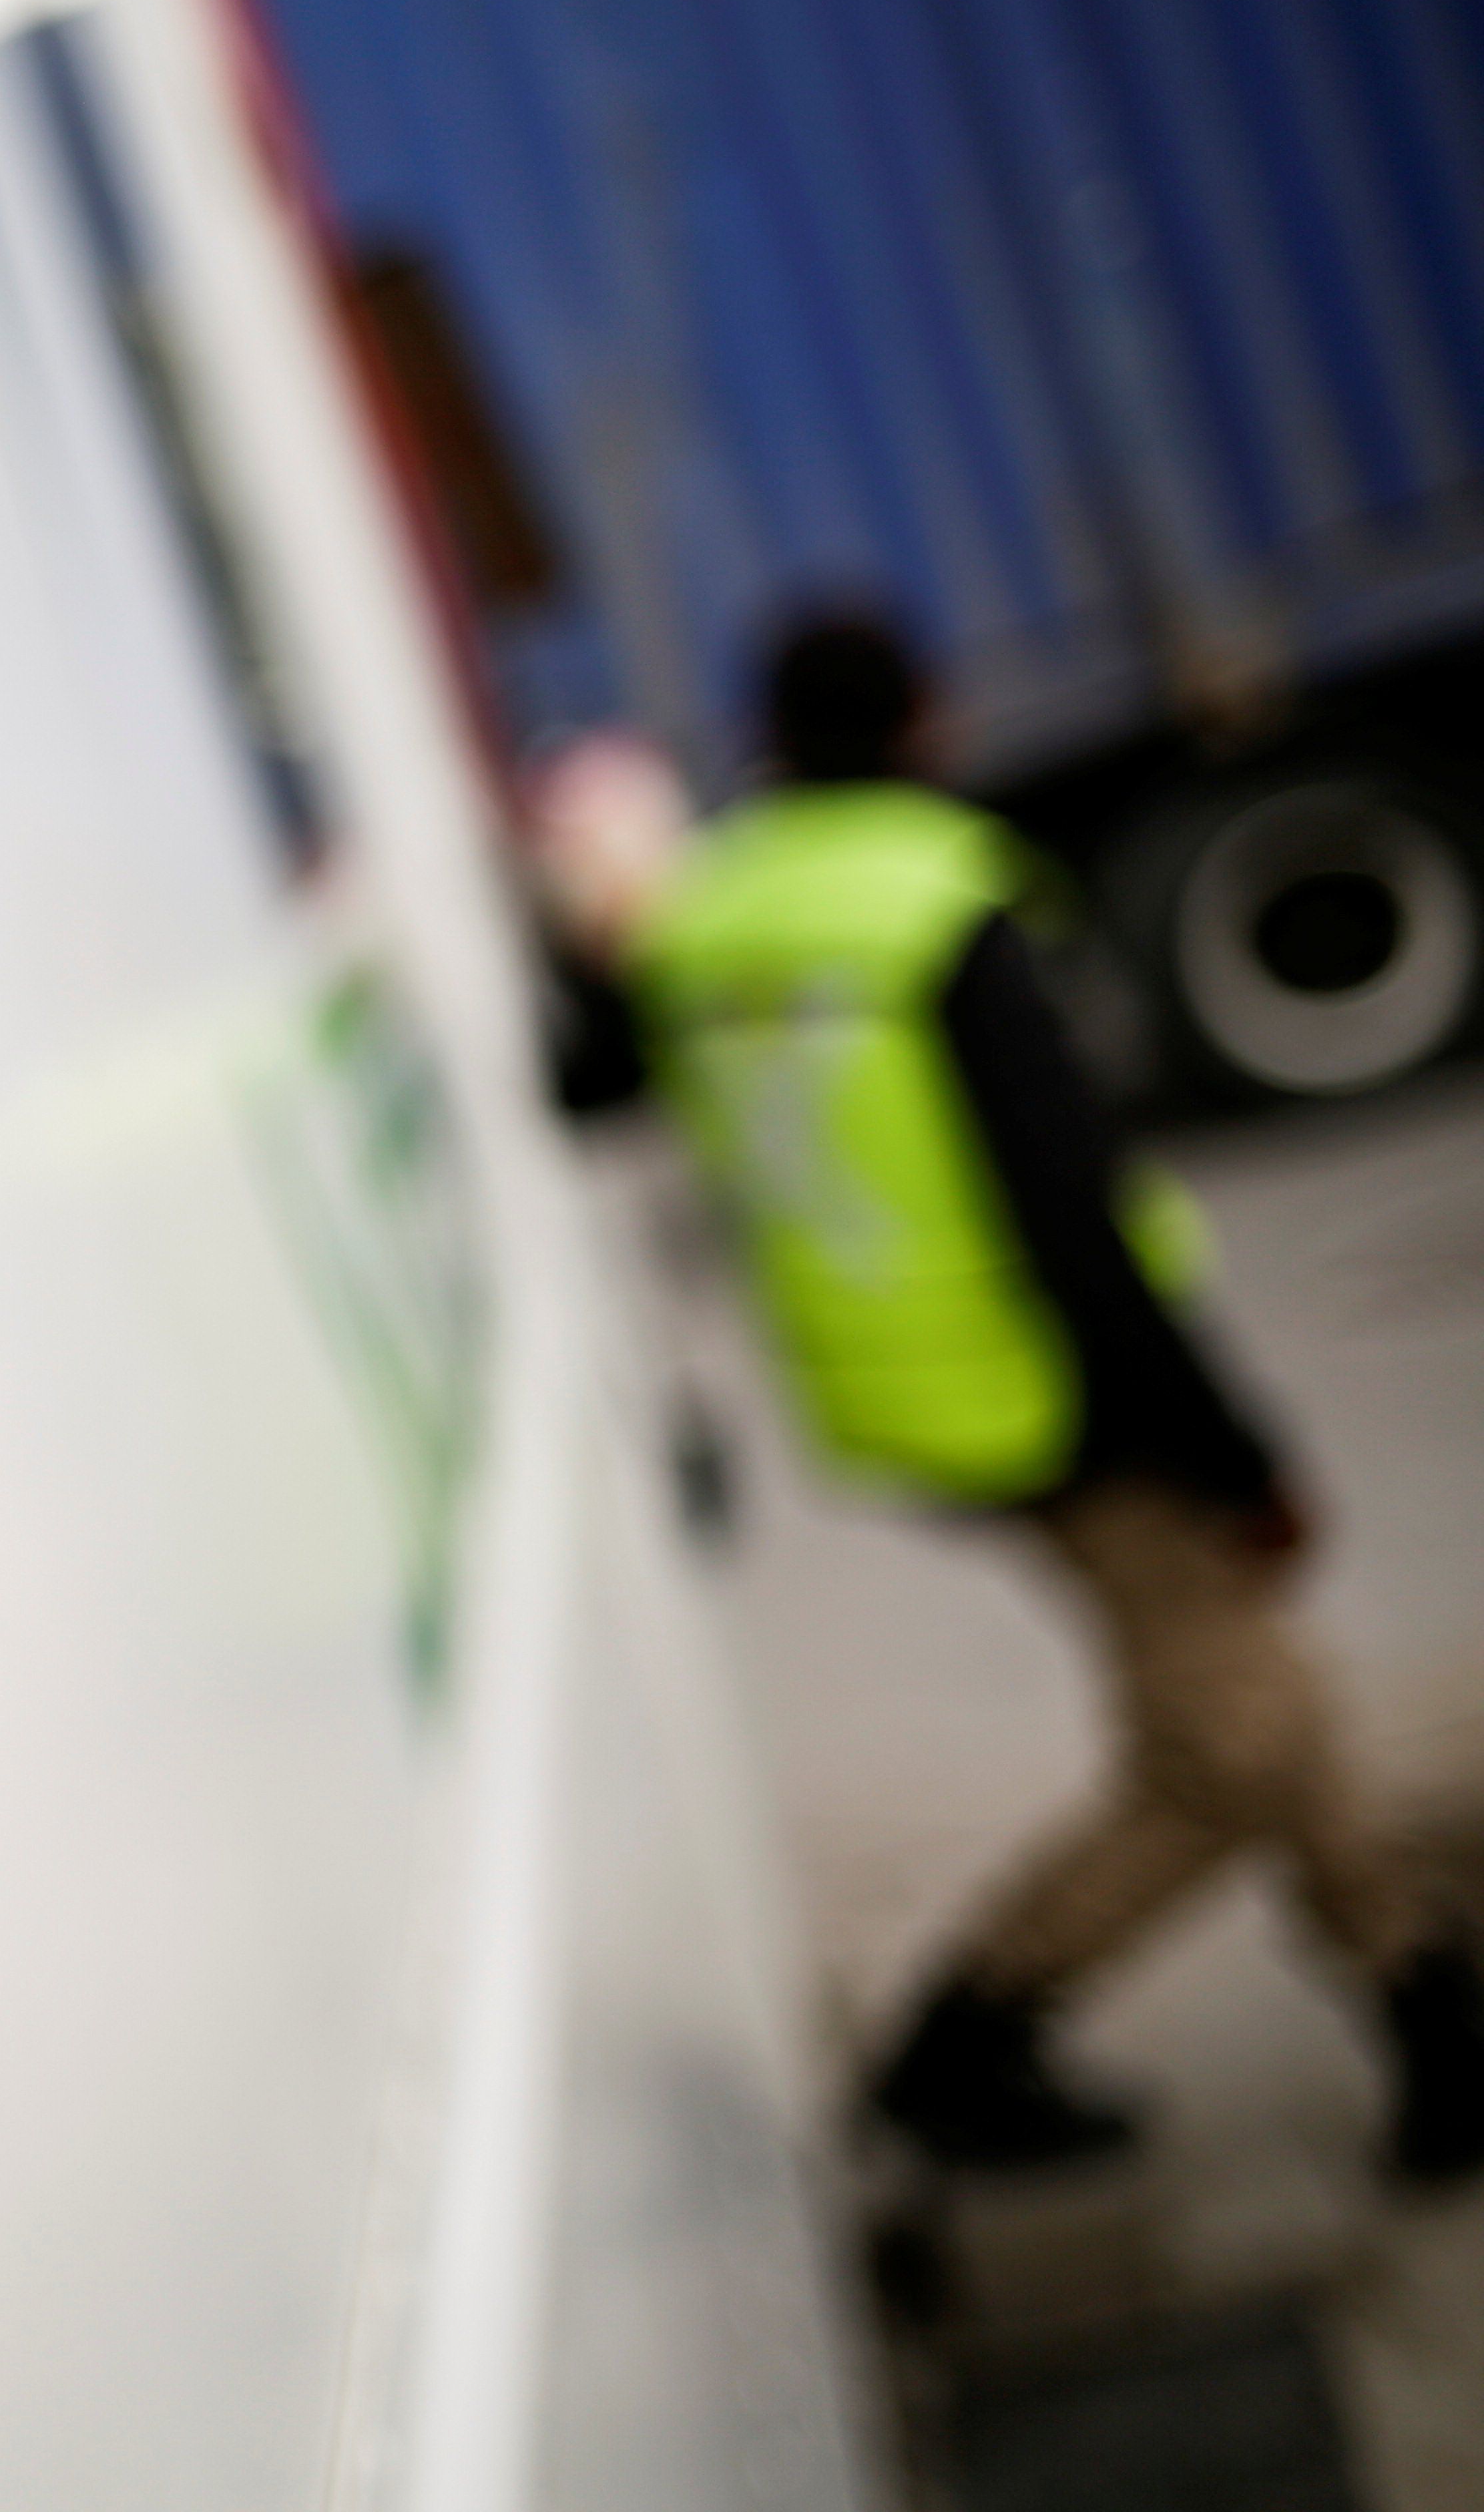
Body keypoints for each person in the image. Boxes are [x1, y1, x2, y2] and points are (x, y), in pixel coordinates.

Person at [624, 613, 1484, 2181]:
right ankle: (968, 2038)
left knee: (1248, 1712)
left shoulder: (713, 917)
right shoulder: (936, 905)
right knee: (1240, 1742)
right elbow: (1071, 1220)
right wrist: (1234, 1449)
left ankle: (1437, 2035)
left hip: (901, 1400)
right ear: (928, 717)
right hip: (1063, 1400)